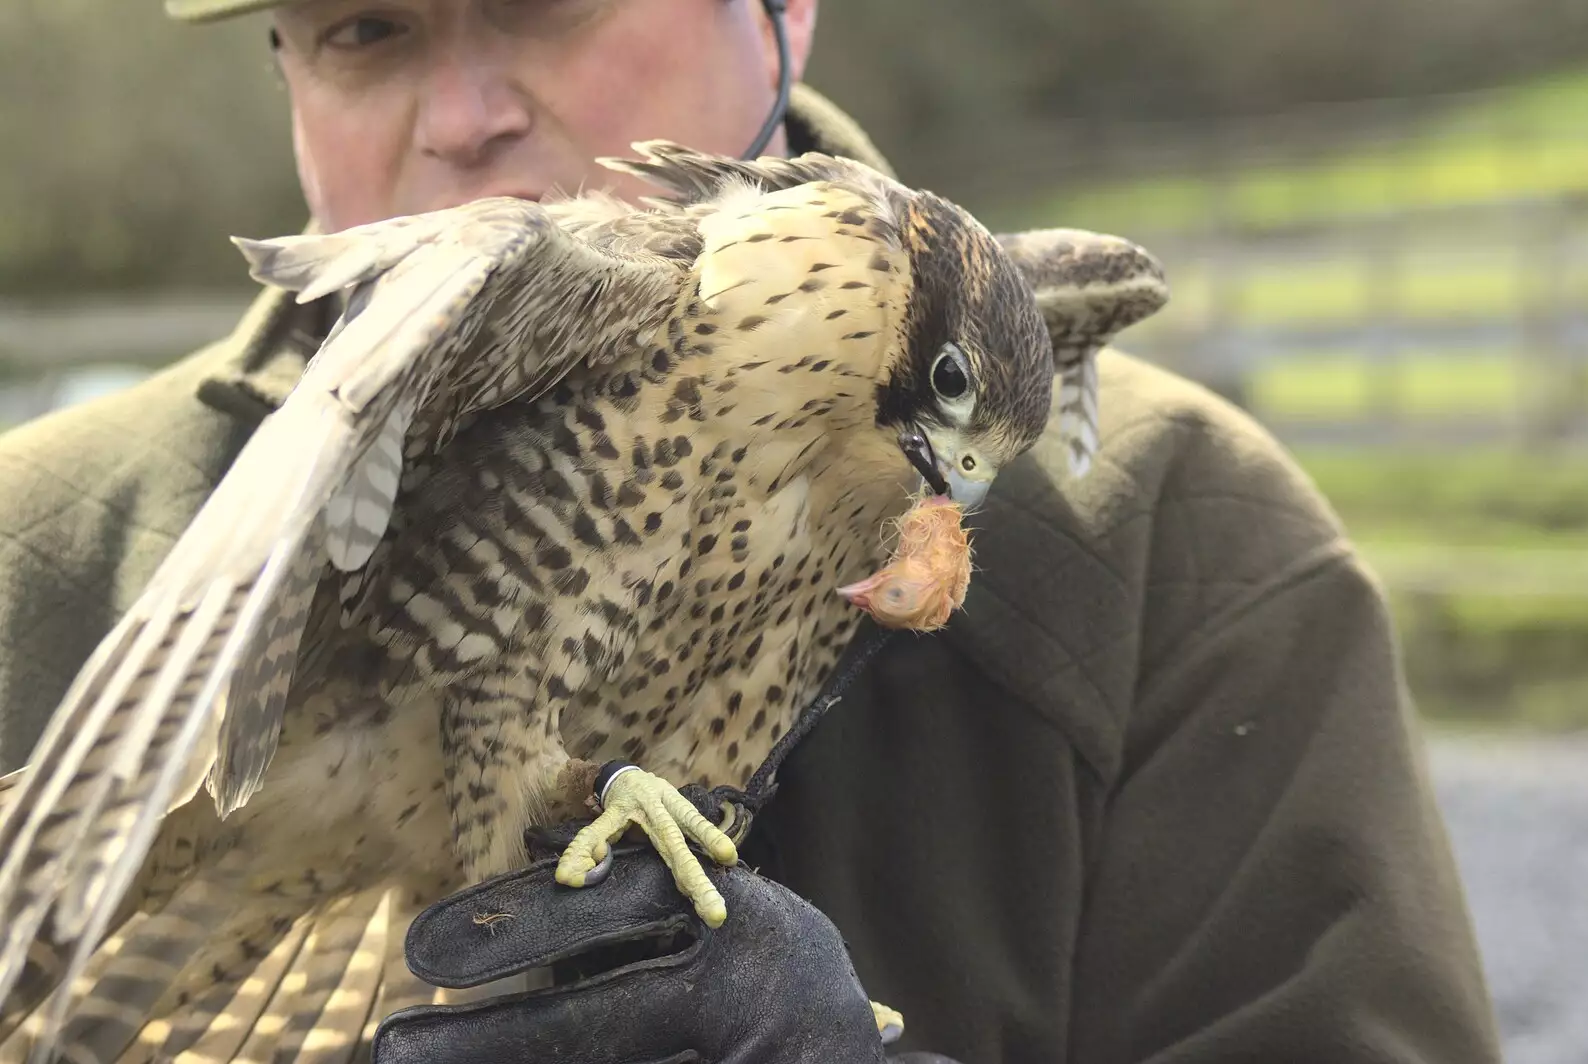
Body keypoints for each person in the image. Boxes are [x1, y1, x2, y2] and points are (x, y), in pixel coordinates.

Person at [0, 0, 1505, 1061]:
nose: (468, 115)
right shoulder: (40, 546)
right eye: (364, 30)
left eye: (543, 1)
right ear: (283, 68)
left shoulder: (1177, 549)